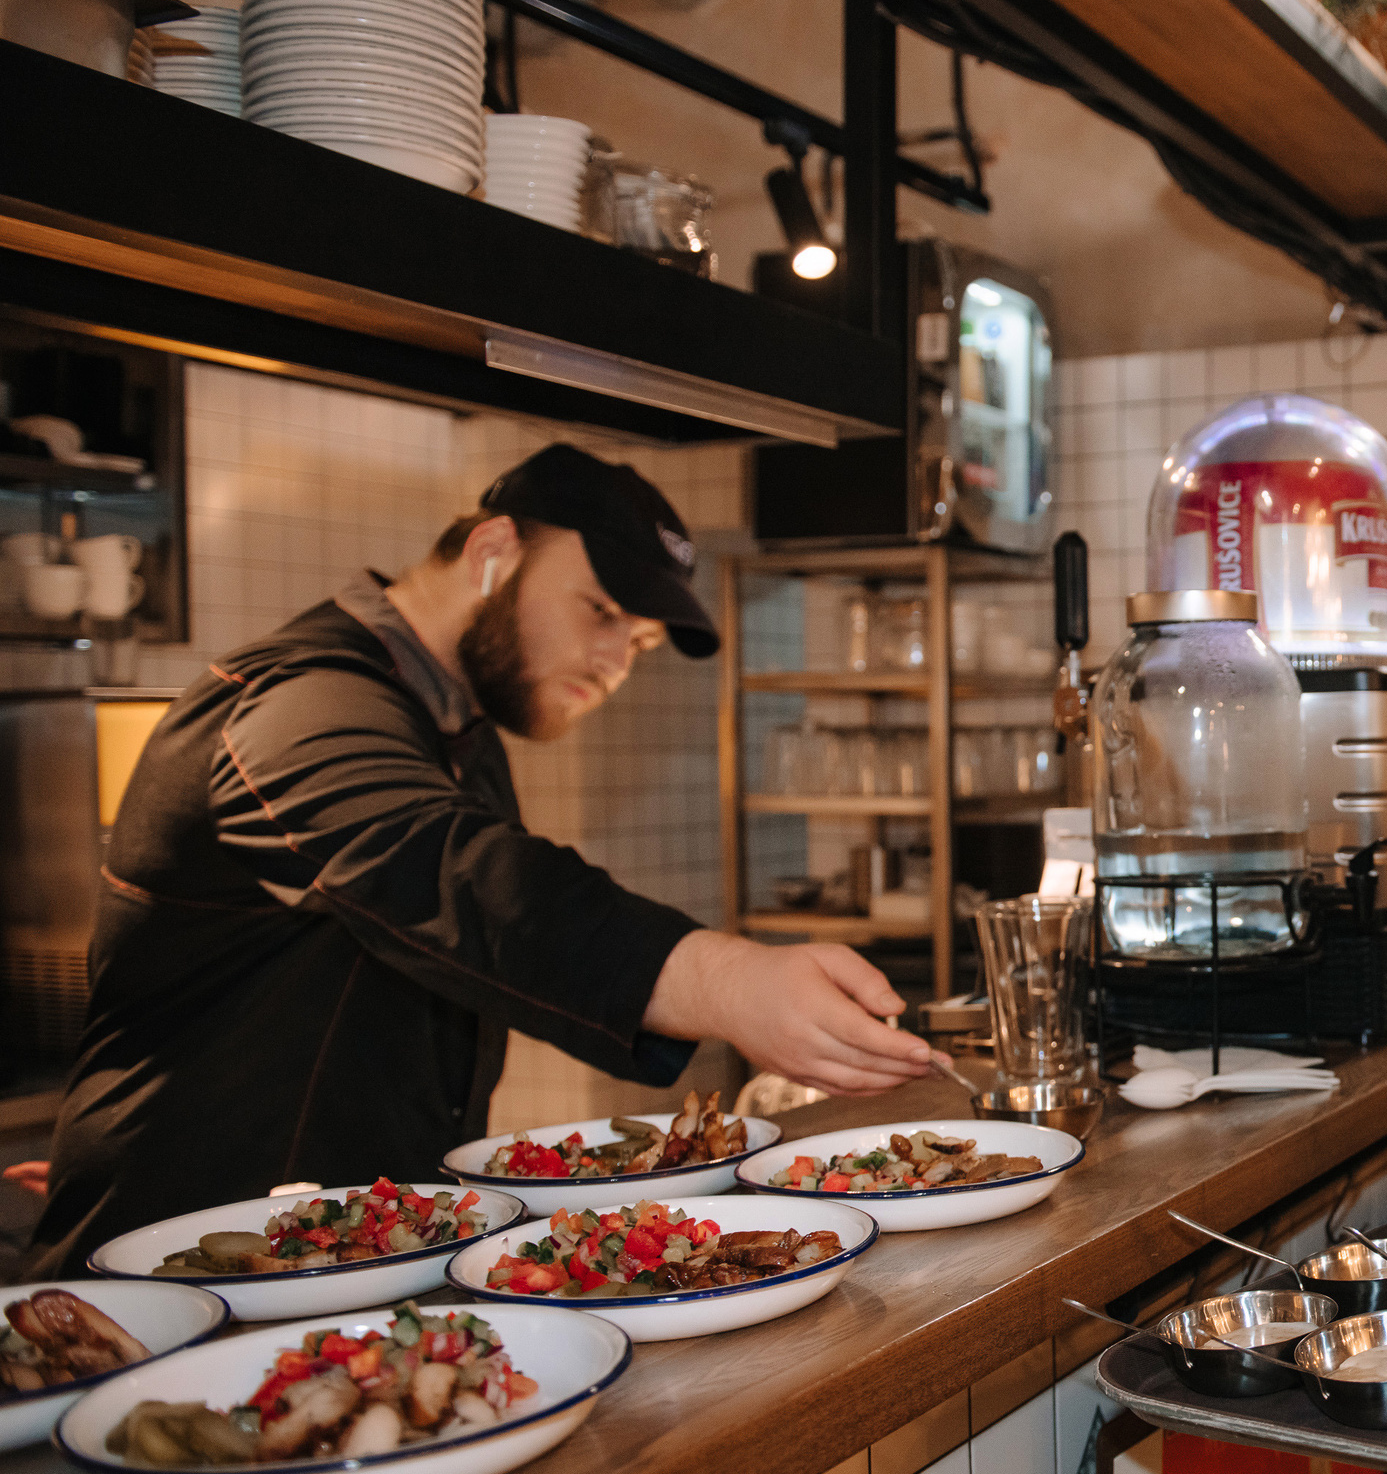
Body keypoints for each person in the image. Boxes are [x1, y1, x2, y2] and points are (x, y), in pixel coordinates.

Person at [26, 444, 936, 1272]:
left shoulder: (454, 731)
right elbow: (450, 872)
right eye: (602, 611)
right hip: (177, 1273)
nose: (617, 659)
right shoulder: (298, 702)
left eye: (643, 643)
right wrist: (726, 979)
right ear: (493, 549)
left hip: (337, 1259)